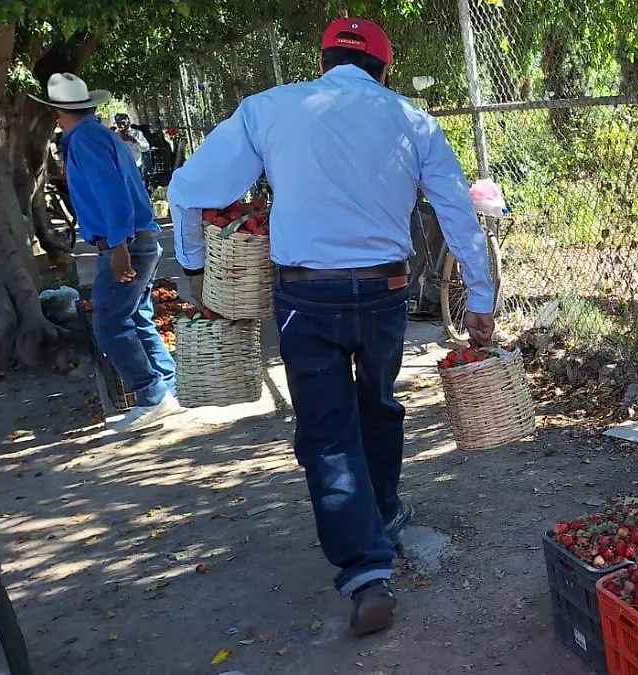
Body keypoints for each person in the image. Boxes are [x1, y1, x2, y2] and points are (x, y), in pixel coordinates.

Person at [168, 18, 495, 637]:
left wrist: (193, 266)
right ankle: (387, 511)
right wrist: (478, 296)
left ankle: (366, 574)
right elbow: (456, 207)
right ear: (384, 68)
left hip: (304, 297)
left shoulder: (269, 109)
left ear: (322, 62)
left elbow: (190, 188)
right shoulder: (412, 119)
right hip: (385, 292)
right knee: (377, 402)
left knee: (325, 430)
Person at [29, 74, 181, 431]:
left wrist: (117, 246)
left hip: (125, 242)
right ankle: (167, 389)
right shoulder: (97, 135)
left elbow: (112, 192)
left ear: (54, 113)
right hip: (135, 239)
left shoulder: (84, 140)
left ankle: (152, 395)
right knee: (136, 316)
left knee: (110, 323)